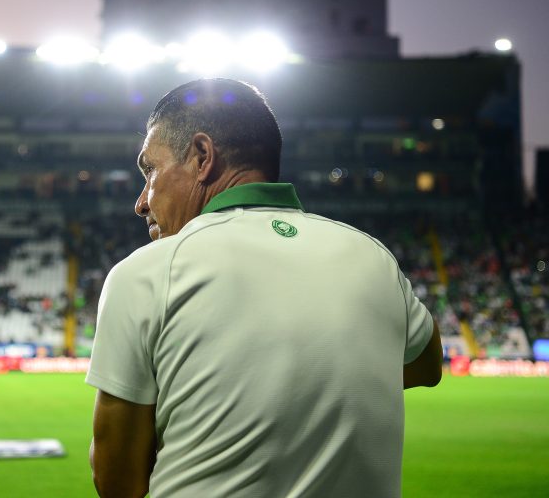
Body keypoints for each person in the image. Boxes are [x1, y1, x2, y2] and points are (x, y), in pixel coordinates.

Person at [86, 78, 442, 498]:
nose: (141, 201)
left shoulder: (148, 272)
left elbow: (117, 482)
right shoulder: (373, 258)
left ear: (202, 157)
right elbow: (426, 365)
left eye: (150, 171)